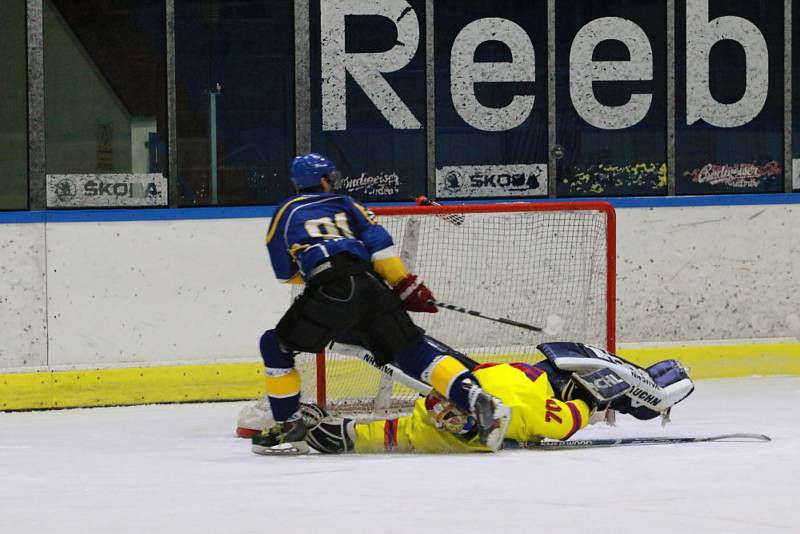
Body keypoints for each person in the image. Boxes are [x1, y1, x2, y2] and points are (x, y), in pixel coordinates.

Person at [251, 153, 510, 455]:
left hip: (330, 288)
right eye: (329, 178)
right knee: (414, 352)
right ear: (322, 181)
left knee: (276, 345)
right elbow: (380, 246)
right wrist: (404, 284)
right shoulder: (348, 204)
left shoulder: (285, 211)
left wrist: (324, 272)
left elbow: (285, 272)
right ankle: (481, 402)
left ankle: (289, 426)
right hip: (371, 284)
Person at [245, 341, 695, 455]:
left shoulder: (424, 423)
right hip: (495, 388)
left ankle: (652, 385)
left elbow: (366, 436)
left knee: (397, 422)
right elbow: (568, 419)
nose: (441, 411)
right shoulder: (539, 409)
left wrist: (311, 431)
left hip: (488, 385)